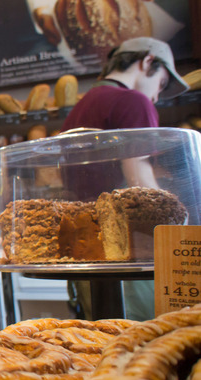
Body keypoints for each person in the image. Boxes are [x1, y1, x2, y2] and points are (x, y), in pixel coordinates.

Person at [61, 37, 190, 321]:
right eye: (162, 83)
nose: (157, 96)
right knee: (145, 346)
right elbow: (141, 185)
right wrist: (179, 235)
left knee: (103, 344)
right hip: (130, 250)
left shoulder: (80, 107)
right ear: (147, 62)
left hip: (88, 253)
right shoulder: (133, 101)